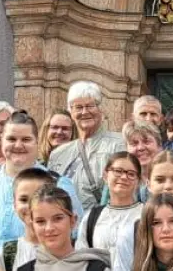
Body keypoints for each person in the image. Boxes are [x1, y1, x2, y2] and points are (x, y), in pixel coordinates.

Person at [0, 113, 81, 251]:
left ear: (36, 142)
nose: (18, 145)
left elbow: (77, 233)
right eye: (11, 139)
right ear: (2, 141)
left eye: (26, 139)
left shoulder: (59, 184)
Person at [49, 82, 129, 210]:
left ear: (100, 109)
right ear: (70, 112)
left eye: (90, 106)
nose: (84, 112)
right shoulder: (58, 154)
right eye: (78, 107)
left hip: (100, 224)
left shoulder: (118, 144)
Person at [123, 121, 164, 189]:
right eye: (134, 143)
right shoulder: (121, 180)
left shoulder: (172, 176)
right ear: (126, 149)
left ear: (159, 145)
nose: (140, 148)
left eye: (146, 141)